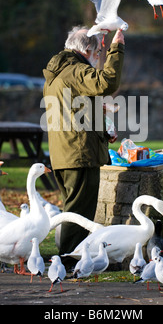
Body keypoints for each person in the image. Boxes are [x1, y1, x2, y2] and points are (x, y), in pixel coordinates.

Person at [43, 26, 125, 269]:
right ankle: (68, 262)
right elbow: (107, 83)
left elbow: (73, 110)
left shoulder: (58, 73)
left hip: (64, 153)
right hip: (79, 155)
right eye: (99, 51)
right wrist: (117, 48)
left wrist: (103, 128)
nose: (99, 57)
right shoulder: (76, 69)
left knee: (73, 211)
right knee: (79, 214)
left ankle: (72, 258)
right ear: (87, 49)